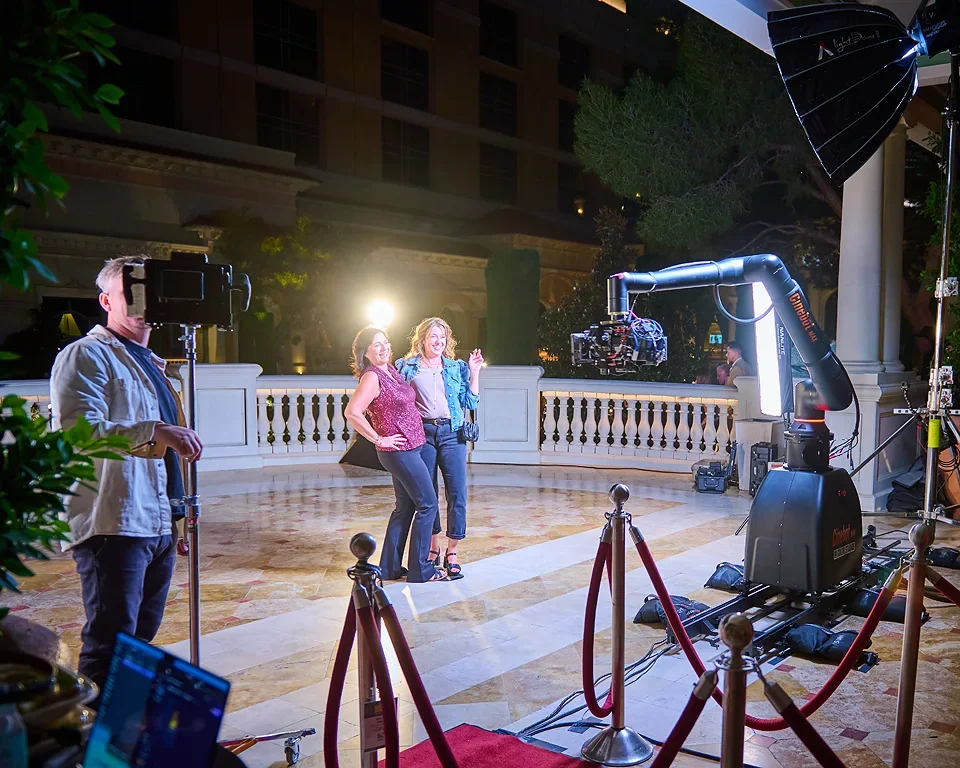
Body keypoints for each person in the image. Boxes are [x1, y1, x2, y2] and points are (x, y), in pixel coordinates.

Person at [50, 255, 203, 697]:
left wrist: (176, 519)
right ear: (106, 301)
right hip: (114, 520)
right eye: (129, 291)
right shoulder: (86, 355)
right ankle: (95, 735)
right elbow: (78, 432)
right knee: (111, 643)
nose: (142, 301)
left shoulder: (154, 364)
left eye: (148, 291)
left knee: (140, 638)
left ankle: (125, 726)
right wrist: (154, 430)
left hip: (157, 520)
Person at [344, 326, 447, 583]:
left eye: (385, 342)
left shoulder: (389, 370)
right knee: (428, 504)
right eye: (376, 345)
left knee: (405, 507)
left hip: (411, 448)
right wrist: (378, 438)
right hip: (399, 452)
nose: (383, 348)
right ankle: (421, 570)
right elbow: (352, 412)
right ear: (365, 352)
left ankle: (389, 567)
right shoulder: (372, 376)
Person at [396, 318, 482, 580]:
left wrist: (475, 372)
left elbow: (470, 402)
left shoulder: (456, 368)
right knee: (428, 493)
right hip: (422, 433)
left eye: (442, 337)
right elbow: (397, 399)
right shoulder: (406, 367)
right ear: (422, 339)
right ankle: (433, 549)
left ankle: (452, 552)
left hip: (452, 433)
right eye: (433, 336)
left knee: (457, 493)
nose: (438, 342)